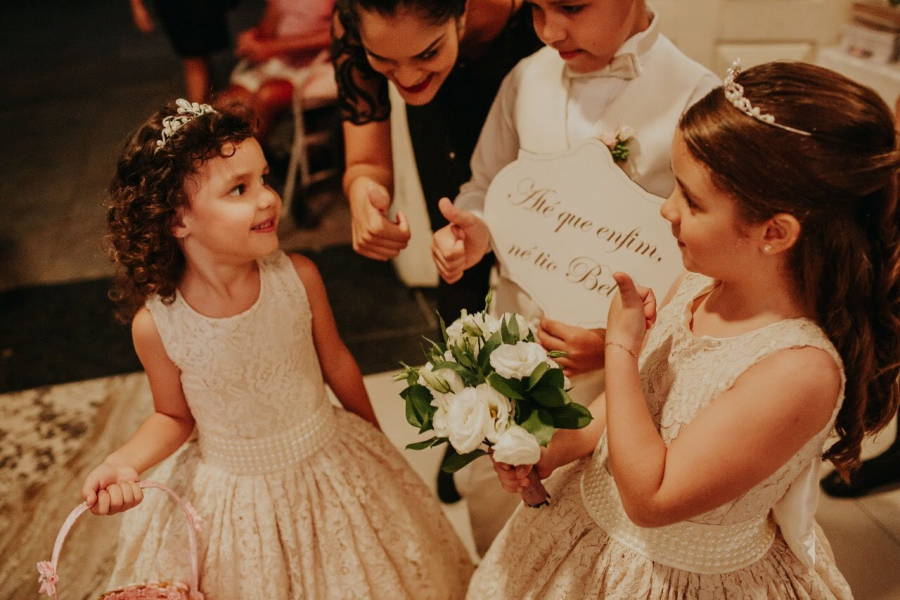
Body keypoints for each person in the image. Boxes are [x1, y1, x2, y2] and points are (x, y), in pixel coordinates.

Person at [470, 60, 900, 598]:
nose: (667, 210)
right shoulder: (698, 284)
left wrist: (620, 348)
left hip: (678, 575)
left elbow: (652, 498)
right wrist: (563, 444)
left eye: (691, 201)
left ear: (774, 232)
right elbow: (641, 406)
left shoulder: (799, 370)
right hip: (588, 526)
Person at [82, 100, 474, 599]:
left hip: (327, 460)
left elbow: (337, 363)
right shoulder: (158, 326)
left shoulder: (298, 277)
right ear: (177, 219)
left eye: (264, 179)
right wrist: (124, 461)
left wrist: (376, 444)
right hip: (233, 495)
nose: (268, 198)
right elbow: (172, 415)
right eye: (239, 189)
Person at [430, 0, 717, 553]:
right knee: (501, 507)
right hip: (514, 336)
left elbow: (703, 264)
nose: (549, 30)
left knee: (587, 534)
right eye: (536, 8)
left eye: (570, 6)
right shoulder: (526, 78)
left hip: (619, 370)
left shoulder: (694, 96)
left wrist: (615, 345)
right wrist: (476, 232)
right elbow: (487, 184)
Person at [332, 0, 541, 505]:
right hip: (443, 119)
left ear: (461, 11)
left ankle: (542, 416)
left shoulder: (530, 14)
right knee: (456, 265)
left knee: (537, 270)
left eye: (426, 52)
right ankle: (467, 421)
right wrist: (363, 194)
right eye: (384, 60)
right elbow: (366, 161)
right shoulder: (354, 16)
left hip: (536, 125)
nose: (406, 77)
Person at [219, 0, 336, 141]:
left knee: (267, 96)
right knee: (226, 103)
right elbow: (268, 27)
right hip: (280, 63)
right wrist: (253, 39)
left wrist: (274, 47)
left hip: (319, 65)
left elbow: (336, 35)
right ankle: (222, 150)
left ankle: (246, 151)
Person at [128, 0, 235, 103]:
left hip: (196, 6)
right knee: (195, 58)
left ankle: (200, 109)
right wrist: (137, 6)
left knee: (198, 58)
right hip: (179, 6)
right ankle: (201, 108)